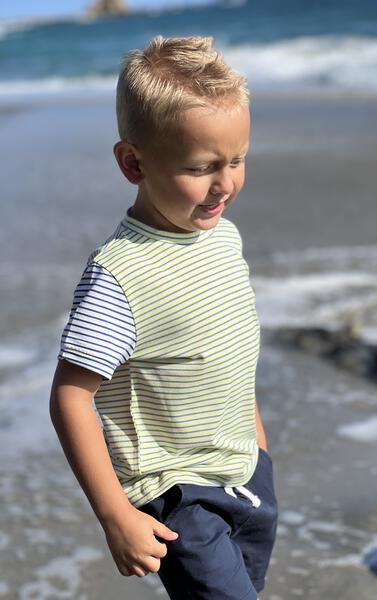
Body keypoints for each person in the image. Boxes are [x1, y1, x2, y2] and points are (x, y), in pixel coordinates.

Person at [49, 35, 278, 600]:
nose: (225, 183)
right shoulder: (119, 274)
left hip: (245, 472)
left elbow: (228, 347)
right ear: (133, 162)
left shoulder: (224, 238)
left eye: (237, 160)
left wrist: (259, 447)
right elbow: (71, 396)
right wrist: (113, 515)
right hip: (177, 491)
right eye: (201, 167)